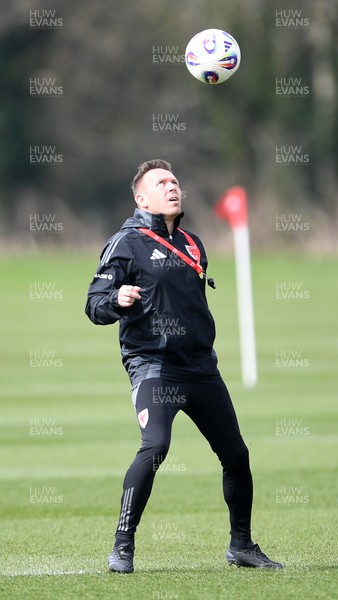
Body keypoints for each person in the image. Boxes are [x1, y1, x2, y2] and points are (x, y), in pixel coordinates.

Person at [85, 159, 283, 573]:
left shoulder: (193, 243)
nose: (173, 187)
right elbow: (94, 304)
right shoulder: (126, 242)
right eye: (162, 183)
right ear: (141, 198)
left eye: (175, 181)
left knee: (236, 454)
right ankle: (122, 545)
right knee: (155, 448)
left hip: (201, 368)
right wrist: (115, 299)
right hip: (155, 367)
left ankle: (241, 546)